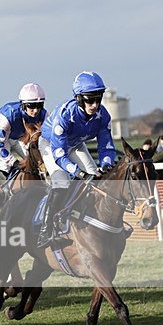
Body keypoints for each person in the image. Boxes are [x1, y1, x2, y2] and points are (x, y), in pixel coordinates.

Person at [36, 71, 117, 247]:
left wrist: (106, 165)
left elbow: (107, 147)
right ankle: (46, 230)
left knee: (97, 179)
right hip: (52, 146)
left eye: (98, 99)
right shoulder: (64, 115)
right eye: (90, 99)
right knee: (62, 182)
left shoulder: (103, 116)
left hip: (76, 144)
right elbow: (59, 154)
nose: (94, 105)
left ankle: (98, 224)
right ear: (79, 98)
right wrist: (78, 173)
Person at [0, 83, 48, 174]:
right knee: (4, 166)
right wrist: (15, 163)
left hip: (19, 138)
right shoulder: (8, 114)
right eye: (31, 106)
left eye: (39, 105)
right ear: (23, 105)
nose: (36, 110)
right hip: (1, 140)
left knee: (35, 162)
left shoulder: (44, 115)